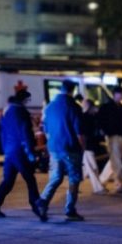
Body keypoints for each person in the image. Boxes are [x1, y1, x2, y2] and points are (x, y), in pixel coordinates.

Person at [0, 85, 44, 219]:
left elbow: (3, 132)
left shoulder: (7, 112)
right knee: (30, 179)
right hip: (20, 151)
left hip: (9, 152)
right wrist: (30, 152)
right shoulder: (22, 112)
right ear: (24, 100)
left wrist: (5, 149)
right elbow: (26, 133)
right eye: (28, 100)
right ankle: (37, 207)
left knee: (8, 180)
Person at [36, 81, 86, 221]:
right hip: (70, 149)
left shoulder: (50, 107)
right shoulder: (74, 107)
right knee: (74, 178)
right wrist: (82, 149)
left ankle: (43, 201)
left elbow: (46, 130)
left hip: (54, 148)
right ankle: (70, 210)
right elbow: (79, 133)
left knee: (56, 177)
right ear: (72, 91)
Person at [97, 88, 122, 193]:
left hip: (120, 137)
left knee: (114, 160)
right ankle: (119, 184)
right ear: (114, 94)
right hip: (112, 136)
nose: (121, 96)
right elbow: (100, 120)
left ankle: (101, 181)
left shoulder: (121, 108)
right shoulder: (107, 107)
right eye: (119, 94)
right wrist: (104, 131)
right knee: (116, 161)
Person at [80, 98, 107, 194]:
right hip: (87, 146)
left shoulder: (90, 117)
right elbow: (83, 133)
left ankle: (73, 184)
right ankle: (98, 188)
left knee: (87, 169)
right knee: (92, 167)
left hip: (89, 145)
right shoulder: (85, 117)